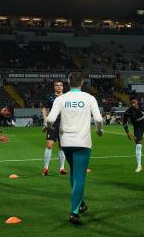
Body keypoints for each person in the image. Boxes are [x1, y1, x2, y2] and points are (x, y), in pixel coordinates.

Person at [46, 72, 103, 226]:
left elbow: (50, 119)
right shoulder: (89, 98)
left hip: (66, 142)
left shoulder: (61, 99)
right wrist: (99, 130)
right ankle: (74, 212)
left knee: (74, 172)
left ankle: (81, 203)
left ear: (68, 82)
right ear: (82, 82)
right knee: (80, 177)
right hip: (82, 142)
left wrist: (49, 128)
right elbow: (98, 119)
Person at [41, 79, 66, 176]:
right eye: (57, 85)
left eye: (60, 85)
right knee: (49, 145)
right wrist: (45, 120)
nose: (59, 87)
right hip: (53, 123)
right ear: (54, 87)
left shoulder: (66, 97)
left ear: (63, 87)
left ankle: (62, 168)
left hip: (64, 123)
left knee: (62, 146)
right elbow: (45, 109)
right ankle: (46, 167)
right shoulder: (50, 97)